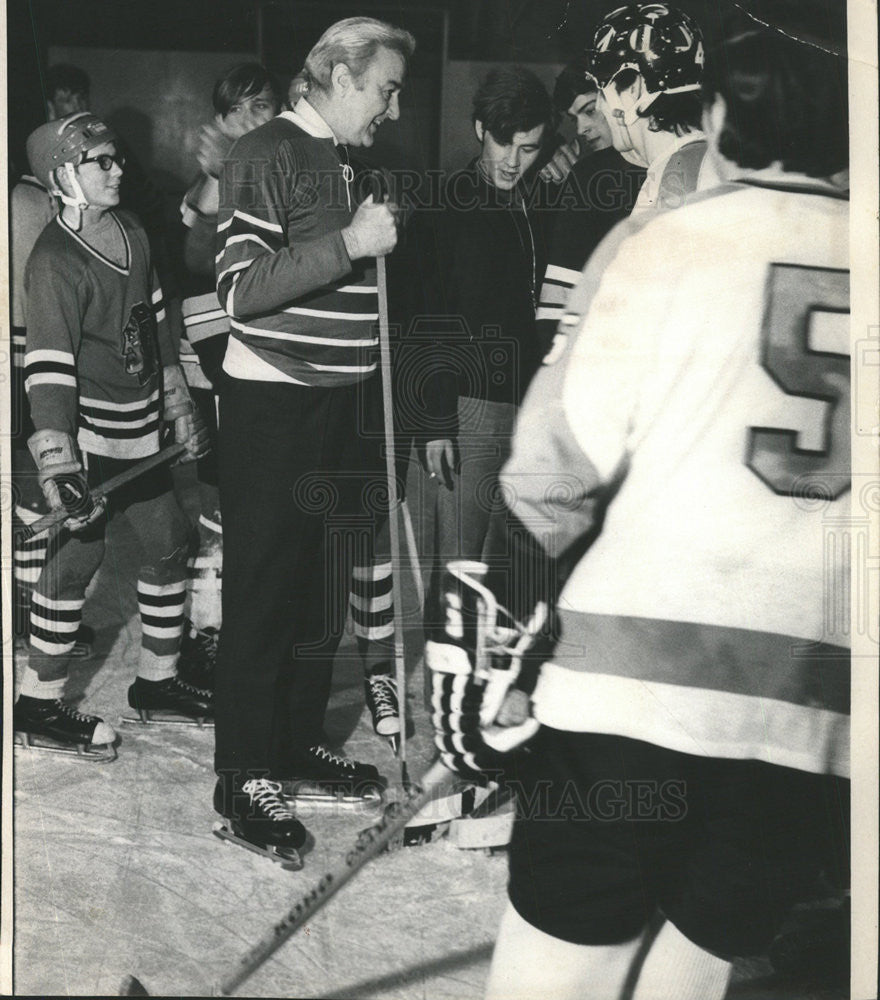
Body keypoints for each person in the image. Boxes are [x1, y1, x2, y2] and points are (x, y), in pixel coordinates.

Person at [430, 12, 851, 999]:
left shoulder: (667, 236)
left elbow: (552, 465)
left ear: (716, 115)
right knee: (690, 973)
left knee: (557, 975)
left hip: (633, 684)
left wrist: (490, 634)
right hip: (808, 711)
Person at [212, 17, 415, 860]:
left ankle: (293, 741)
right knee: (265, 591)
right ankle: (243, 774)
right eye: (384, 89)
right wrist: (351, 243)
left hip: (342, 404)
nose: (394, 110)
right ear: (336, 74)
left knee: (320, 591)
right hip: (275, 404)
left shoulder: (347, 162)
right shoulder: (267, 152)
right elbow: (240, 289)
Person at [14, 112, 212, 758]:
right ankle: (37, 702)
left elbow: (156, 326)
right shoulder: (53, 261)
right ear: (64, 174)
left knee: (168, 540)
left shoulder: (131, 231)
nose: (117, 168)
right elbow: (48, 367)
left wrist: (177, 399)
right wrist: (57, 459)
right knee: (75, 563)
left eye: (116, 157)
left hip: (141, 433)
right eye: (100, 160)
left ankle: (156, 681)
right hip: (92, 437)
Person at [420, 65, 554, 639]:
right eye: (503, 143)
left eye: (527, 149)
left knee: (505, 564)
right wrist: (434, 420)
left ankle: (485, 684)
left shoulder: (536, 204)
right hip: (467, 410)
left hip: (524, 408)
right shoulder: (447, 204)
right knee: (459, 565)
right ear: (479, 129)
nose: (511, 160)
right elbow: (424, 321)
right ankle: (446, 691)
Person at [176, 63, 282, 684]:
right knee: (224, 498)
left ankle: (245, 634)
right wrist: (217, 176)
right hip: (218, 355)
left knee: (259, 500)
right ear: (219, 119)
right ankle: (208, 636)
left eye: (261, 107)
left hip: (262, 352)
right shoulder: (211, 183)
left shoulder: (278, 170)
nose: (251, 122)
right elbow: (195, 260)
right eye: (237, 110)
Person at [534, 58, 645, 356]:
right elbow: (555, 305)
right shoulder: (583, 175)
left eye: (589, 110)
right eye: (575, 119)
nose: (582, 128)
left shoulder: (668, 163)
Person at [589, 3, 713, 215]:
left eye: (601, 92)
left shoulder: (670, 184)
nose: (600, 106)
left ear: (634, 90)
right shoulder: (721, 160)